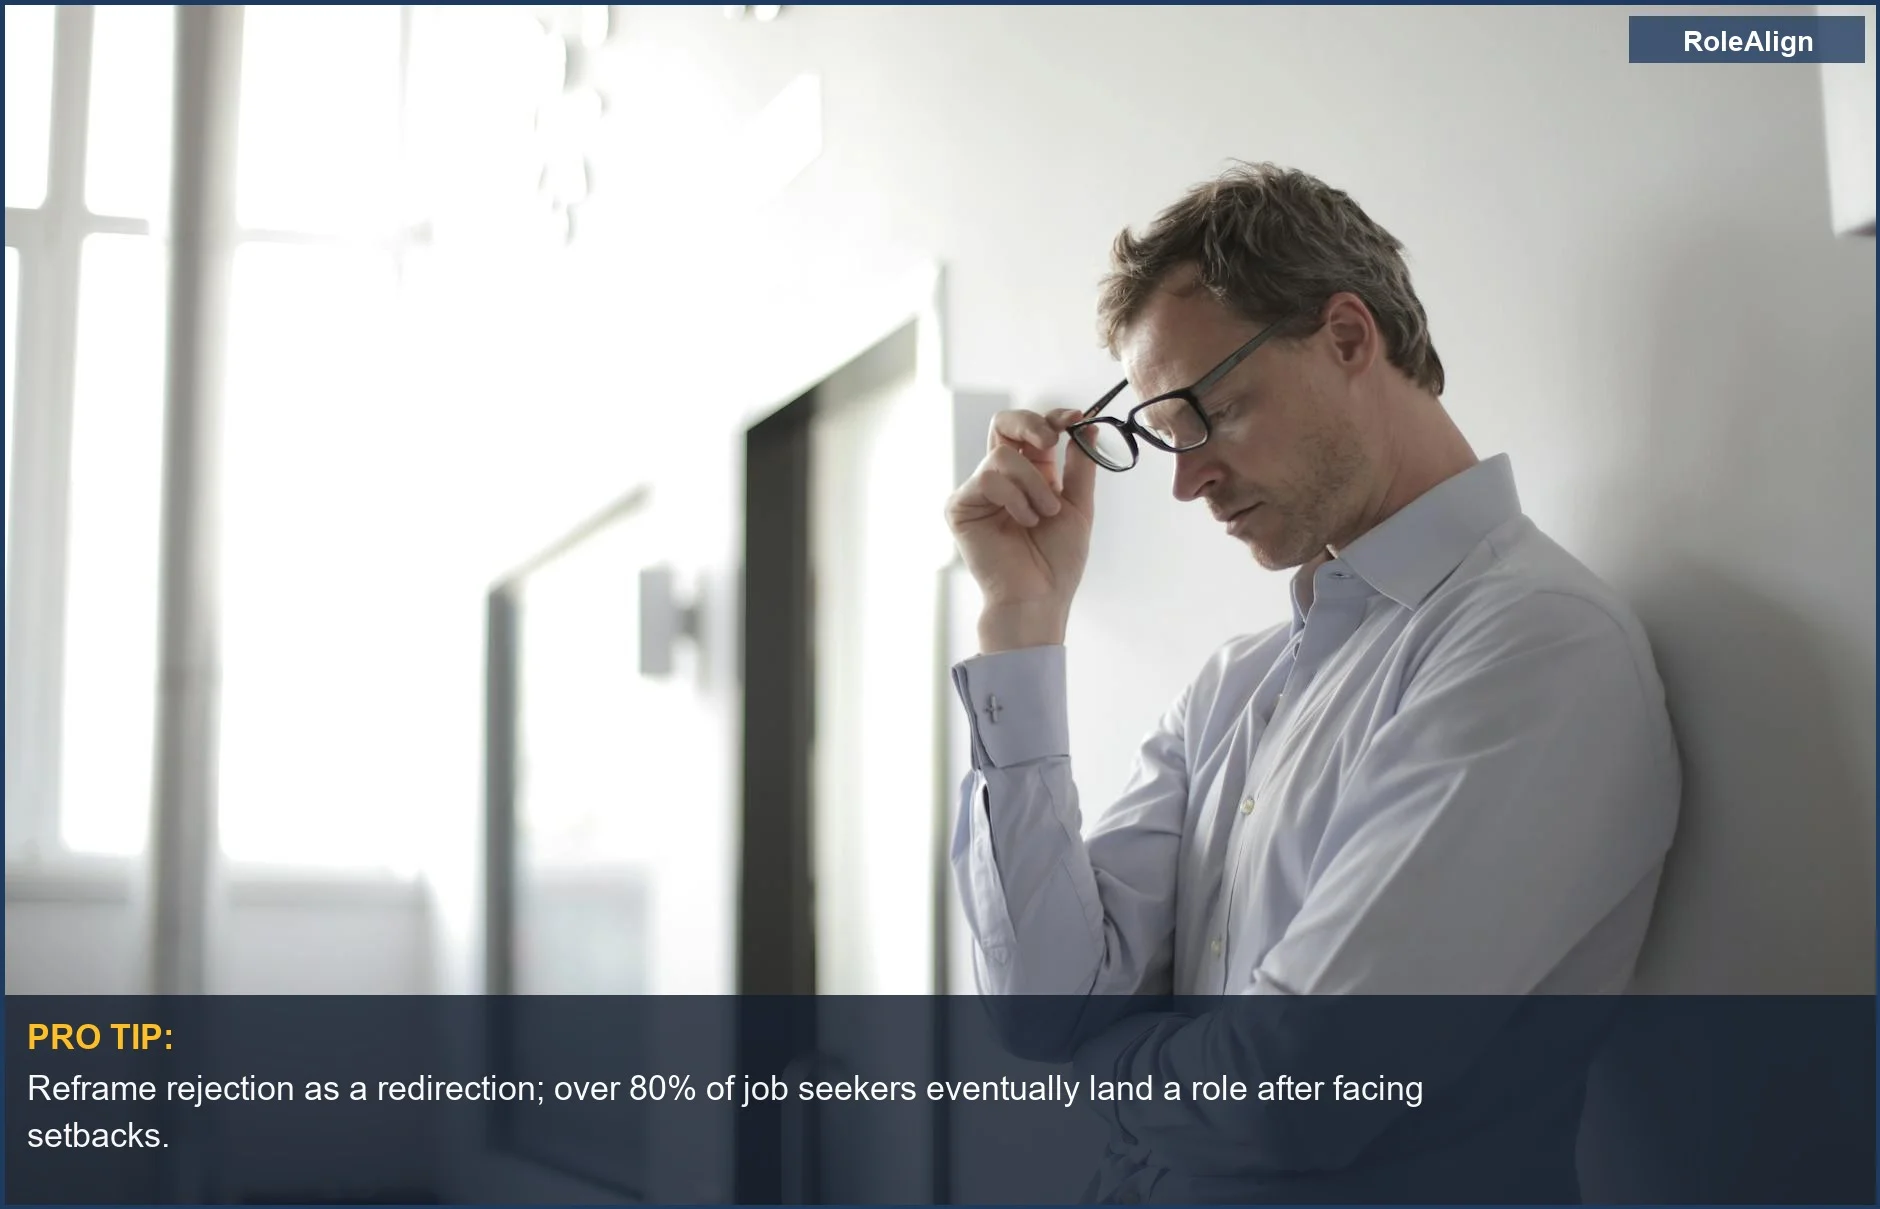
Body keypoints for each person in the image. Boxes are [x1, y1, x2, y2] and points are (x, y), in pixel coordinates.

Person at [941, 163, 1681, 1201]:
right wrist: (1020, 620)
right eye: (1161, 438)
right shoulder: (1232, 687)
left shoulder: (1536, 644)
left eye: (1208, 413)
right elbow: (1043, 1007)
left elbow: (1296, 1094)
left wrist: (1098, 1074)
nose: (1187, 481)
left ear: (1345, 337)